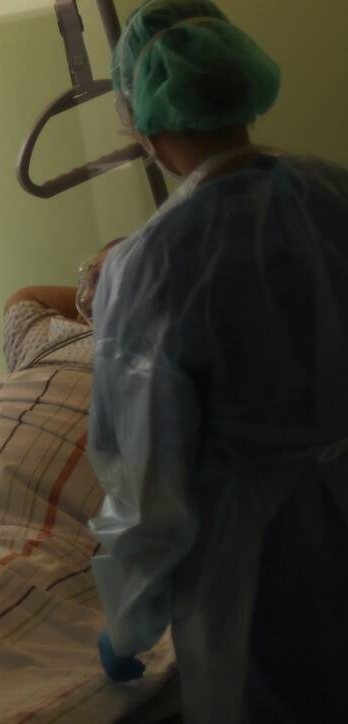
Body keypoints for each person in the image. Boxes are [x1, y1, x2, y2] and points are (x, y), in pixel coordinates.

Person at [87, 2, 348, 720]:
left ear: (143, 118)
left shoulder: (149, 266)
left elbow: (145, 482)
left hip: (258, 577)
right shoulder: (335, 194)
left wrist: (129, 620)